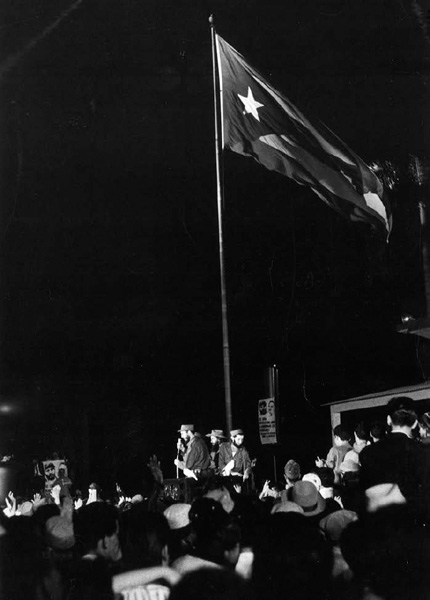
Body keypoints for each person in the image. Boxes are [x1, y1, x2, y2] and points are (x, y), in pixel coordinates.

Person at [360, 396, 430, 517]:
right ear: (414, 424)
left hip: (377, 521)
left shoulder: (367, 452)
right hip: (412, 522)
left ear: (388, 420)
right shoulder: (423, 452)